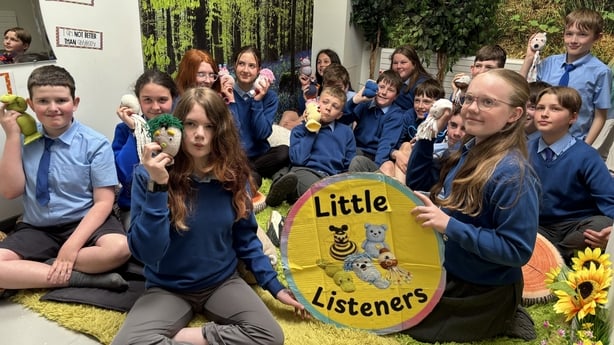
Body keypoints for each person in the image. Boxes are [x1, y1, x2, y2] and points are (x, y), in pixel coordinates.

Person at [111, 87, 307, 345]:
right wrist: (159, 186)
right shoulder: (147, 175)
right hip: (168, 287)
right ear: (177, 127)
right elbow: (147, 253)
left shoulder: (232, 175)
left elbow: (246, 238)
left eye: (209, 126)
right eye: (191, 124)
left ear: (220, 131)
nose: (199, 135)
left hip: (221, 282)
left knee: (270, 336)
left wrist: (274, 286)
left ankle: (180, 337)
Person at [405, 69, 539, 342]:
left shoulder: (514, 174)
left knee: (406, 323)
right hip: (449, 269)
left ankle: (507, 317)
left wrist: (449, 225)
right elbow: (419, 180)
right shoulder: (468, 150)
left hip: (482, 290)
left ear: (514, 115)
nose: (472, 109)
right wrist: (430, 129)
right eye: (469, 99)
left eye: (488, 102)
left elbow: (516, 251)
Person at [0, 65, 131, 297]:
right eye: (43, 102)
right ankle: (76, 277)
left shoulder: (94, 143)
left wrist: (71, 247)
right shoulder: (22, 139)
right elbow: (11, 192)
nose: (53, 109)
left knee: (119, 249)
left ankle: (38, 268)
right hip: (38, 227)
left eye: (61, 100)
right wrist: (11, 135)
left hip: (85, 221)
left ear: (75, 102)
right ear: (30, 105)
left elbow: (103, 202)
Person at [529, 86, 613, 263]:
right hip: (538, 226)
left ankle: (551, 259)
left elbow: (609, 199)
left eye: (555, 109)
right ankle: (550, 259)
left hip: (576, 225)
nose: (544, 114)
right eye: (540, 108)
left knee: (601, 225)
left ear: (573, 117)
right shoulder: (523, 150)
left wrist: (611, 232)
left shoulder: (586, 156)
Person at [519, 8, 612, 145]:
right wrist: (529, 58)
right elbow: (520, 91)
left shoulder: (601, 72)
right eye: (569, 34)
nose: (573, 40)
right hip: (539, 140)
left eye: (582, 35)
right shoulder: (549, 63)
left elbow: (600, 116)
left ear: (597, 37)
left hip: (573, 141)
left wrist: (585, 147)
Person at [265, 87, 356, 207]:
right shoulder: (299, 130)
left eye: (335, 106)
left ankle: (291, 193)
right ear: (317, 103)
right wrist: (312, 129)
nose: (328, 108)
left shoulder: (346, 132)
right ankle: (288, 190)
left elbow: (348, 165)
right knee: (308, 186)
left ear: (339, 115)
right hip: (305, 171)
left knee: (332, 195)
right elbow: (298, 160)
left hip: (331, 178)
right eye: (325, 102)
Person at [112, 69, 179, 229]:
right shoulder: (124, 130)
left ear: (173, 99)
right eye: (147, 100)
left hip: (176, 203)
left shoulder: (178, 130)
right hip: (136, 206)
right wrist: (135, 130)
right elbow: (126, 176)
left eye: (162, 99)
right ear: (138, 102)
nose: (155, 107)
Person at [229, 45, 288, 189]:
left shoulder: (270, 97)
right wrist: (230, 100)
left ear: (259, 70)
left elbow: (262, 133)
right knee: (252, 177)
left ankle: (250, 173)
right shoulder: (225, 94)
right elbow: (232, 131)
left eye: (251, 66)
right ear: (234, 66)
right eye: (241, 64)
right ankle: (254, 175)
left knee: (285, 152)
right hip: (234, 157)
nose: (245, 70)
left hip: (260, 155)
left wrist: (257, 101)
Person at [341, 70, 405, 173]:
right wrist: (355, 101)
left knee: (356, 161)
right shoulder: (366, 104)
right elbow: (341, 120)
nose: (384, 92)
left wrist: (376, 169)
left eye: (390, 90)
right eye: (381, 87)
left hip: (374, 158)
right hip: (355, 150)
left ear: (396, 96)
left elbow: (386, 144)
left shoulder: (396, 115)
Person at [382, 79, 445, 180]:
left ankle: (402, 191)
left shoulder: (445, 122)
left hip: (431, 166)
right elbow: (394, 145)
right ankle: (402, 190)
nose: (420, 106)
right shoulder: (409, 116)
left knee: (409, 146)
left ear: (438, 104)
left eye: (426, 102)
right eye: (417, 100)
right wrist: (397, 153)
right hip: (408, 163)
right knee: (394, 158)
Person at [389, 45, 433, 112]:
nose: (398, 66)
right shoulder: (395, 80)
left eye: (403, 62)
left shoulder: (423, 84)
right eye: (395, 63)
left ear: (414, 65)